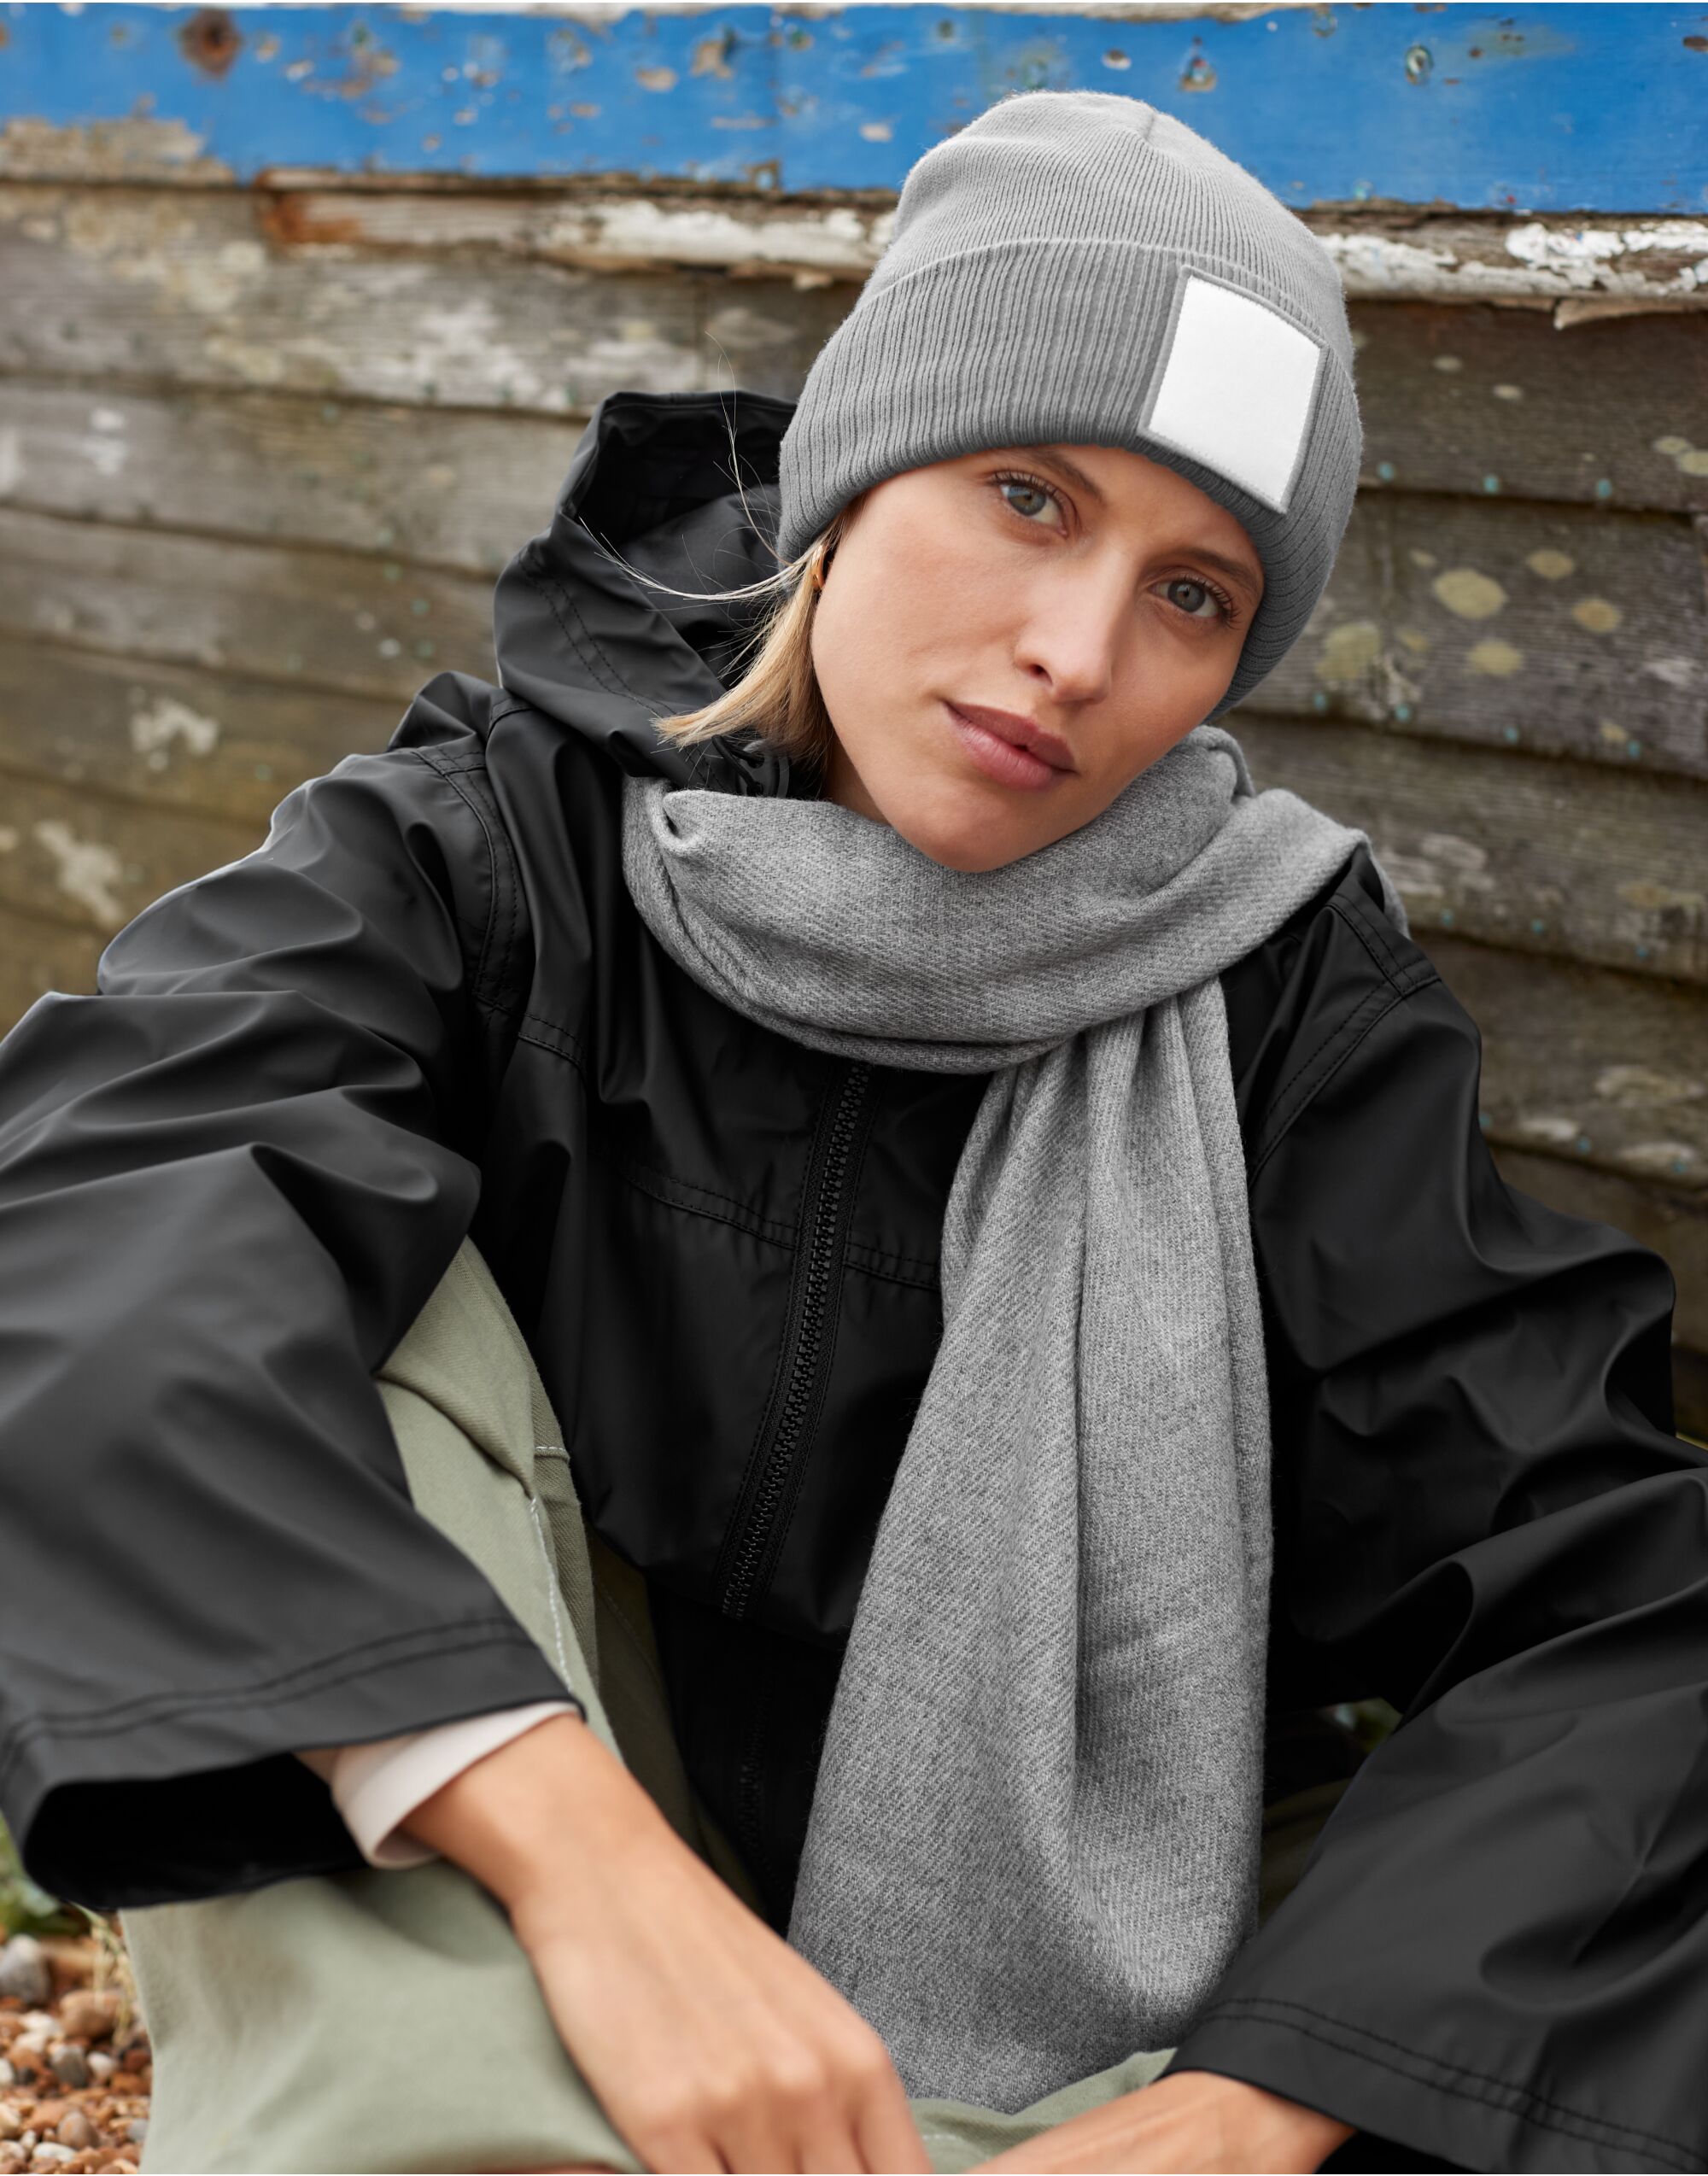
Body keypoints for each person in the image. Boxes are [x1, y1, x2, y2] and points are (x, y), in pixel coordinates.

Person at [0, 87, 1703, 2176]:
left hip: (1092, 2036)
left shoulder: (1281, 1011)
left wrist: (1260, 2103)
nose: (1075, 653)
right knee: (283, 1273)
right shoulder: (493, 856)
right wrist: (572, 1848)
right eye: (1027, 494)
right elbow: (88, 1221)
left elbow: (1618, 1603)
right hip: (495, 1918)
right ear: (852, 471)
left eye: (1193, 594)